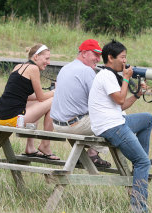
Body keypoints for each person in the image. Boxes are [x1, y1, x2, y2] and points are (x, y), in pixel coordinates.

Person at [88, 40, 152, 212]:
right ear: (110, 58)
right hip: (112, 126)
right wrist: (126, 78)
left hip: (117, 120)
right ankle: (139, 208)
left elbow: (120, 106)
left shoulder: (109, 75)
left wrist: (138, 94)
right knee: (143, 162)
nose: (125, 61)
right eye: (122, 57)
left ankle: (140, 165)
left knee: (147, 119)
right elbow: (119, 99)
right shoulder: (106, 76)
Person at [50, 39, 111, 168]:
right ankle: (92, 154)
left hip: (57, 125)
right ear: (84, 53)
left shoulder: (65, 68)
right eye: (95, 55)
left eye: (99, 55)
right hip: (74, 125)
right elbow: (101, 102)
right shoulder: (86, 71)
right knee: (118, 117)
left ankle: (87, 155)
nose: (98, 59)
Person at [0, 43, 59, 160]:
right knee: (54, 101)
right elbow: (41, 98)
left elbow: (25, 96)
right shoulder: (33, 69)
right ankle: (45, 145)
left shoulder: (18, 66)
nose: (48, 62)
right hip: (11, 119)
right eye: (47, 58)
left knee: (36, 104)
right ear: (36, 57)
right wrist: (56, 91)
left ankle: (30, 147)